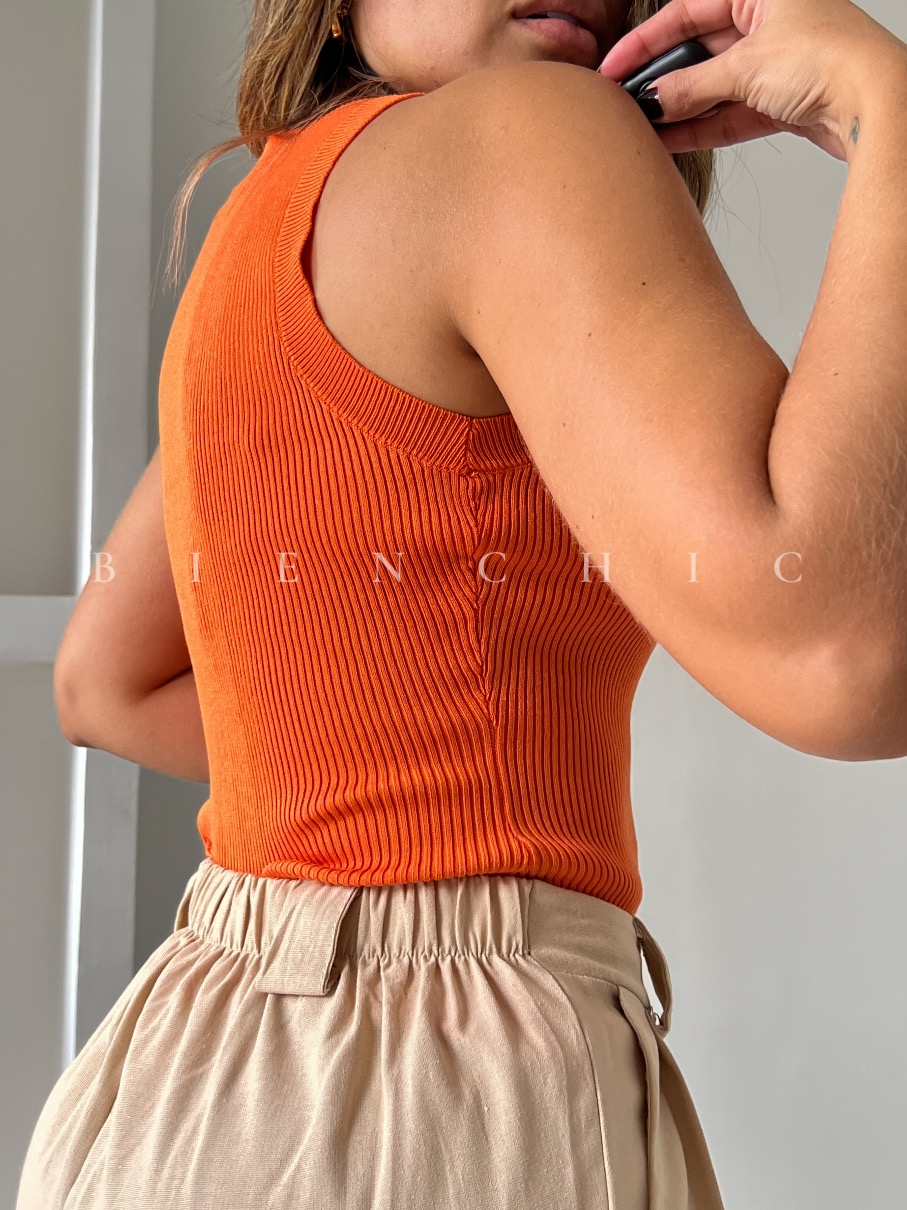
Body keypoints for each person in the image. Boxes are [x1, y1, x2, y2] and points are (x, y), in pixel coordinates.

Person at [19, 0, 907, 1206]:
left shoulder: (268, 221)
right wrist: (884, 102)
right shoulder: (522, 134)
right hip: (440, 1094)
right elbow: (845, 649)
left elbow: (103, 682)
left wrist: (379, 792)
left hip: (183, 1080)